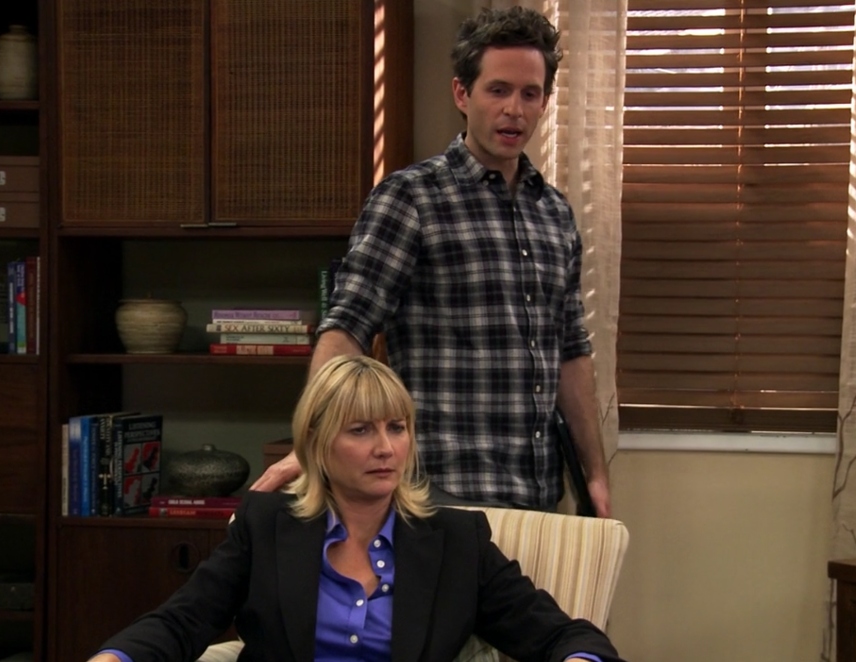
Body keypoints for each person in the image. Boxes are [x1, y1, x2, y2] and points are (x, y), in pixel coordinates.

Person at [251, 6, 611, 516]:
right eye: (498, 90)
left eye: (530, 94)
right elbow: (348, 326)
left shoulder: (554, 213)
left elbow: (571, 352)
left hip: (537, 494)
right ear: (462, 94)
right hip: (441, 493)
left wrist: (594, 475)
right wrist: (310, 442)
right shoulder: (412, 199)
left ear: (545, 102)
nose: (514, 109)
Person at [85, 356, 624, 662]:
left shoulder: (458, 541)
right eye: (361, 430)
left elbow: (561, 635)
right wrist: (115, 658)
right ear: (317, 443)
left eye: (397, 428)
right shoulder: (265, 526)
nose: (386, 448)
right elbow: (182, 621)